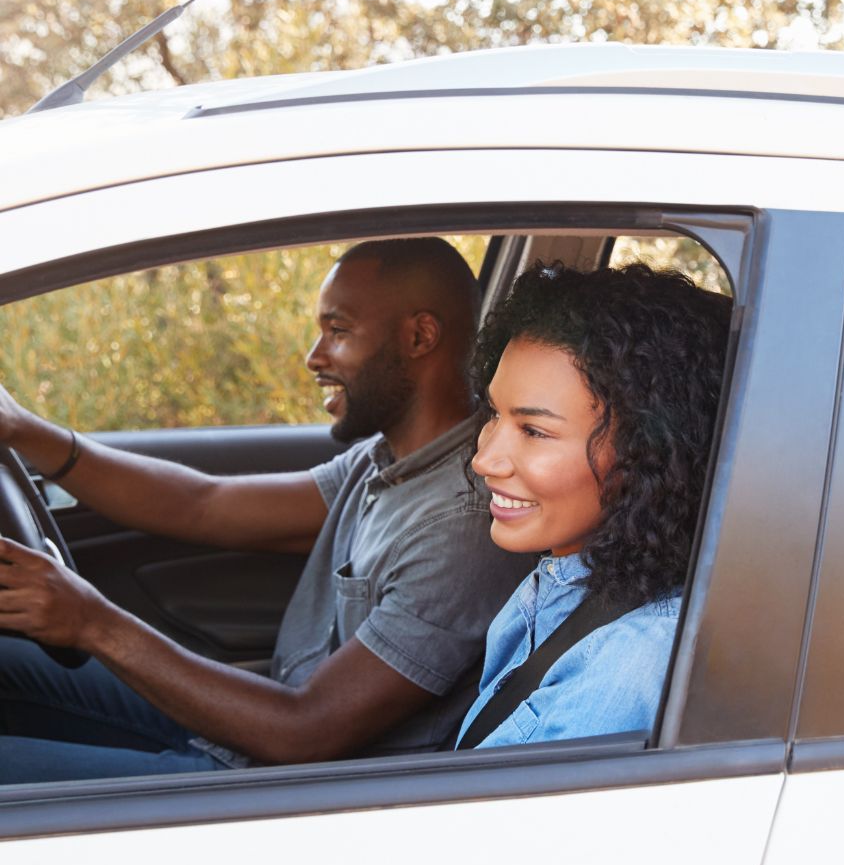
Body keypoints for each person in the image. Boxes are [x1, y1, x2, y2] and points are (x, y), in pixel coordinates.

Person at [0, 236, 533, 782]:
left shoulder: (462, 527)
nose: (314, 357)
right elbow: (202, 505)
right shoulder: (384, 460)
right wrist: (24, 430)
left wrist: (92, 622)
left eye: (338, 330)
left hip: (291, 793)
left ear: (419, 336)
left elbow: (306, 730)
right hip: (255, 736)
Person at [453, 261, 731, 749]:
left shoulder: (627, 665)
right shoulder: (557, 588)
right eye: (495, 414)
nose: (485, 459)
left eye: (534, 431)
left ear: (647, 452)